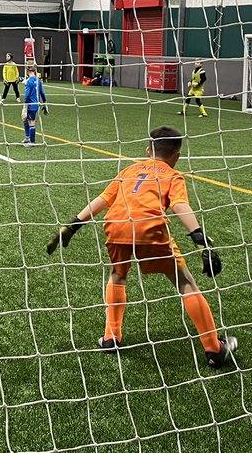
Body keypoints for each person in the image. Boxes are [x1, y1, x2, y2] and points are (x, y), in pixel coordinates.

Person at [46, 125, 236, 368]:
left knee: (117, 275)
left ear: (148, 151)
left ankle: (111, 337)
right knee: (185, 282)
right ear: (177, 156)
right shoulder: (173, 175)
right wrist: (199, 238)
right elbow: (179, 205)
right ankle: (214, 349)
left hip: (116, 226)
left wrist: (72, 226)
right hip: (149, 228)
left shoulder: (129, 170)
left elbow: (103, 199)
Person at [21, 65, 47, 146]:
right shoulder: (38, 80)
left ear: (27, 71)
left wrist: (25, 105)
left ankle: (32, 141)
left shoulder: (29, 81)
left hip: (30, 104)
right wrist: (45, 102)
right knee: (24, 118)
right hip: (36, 104)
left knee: (31, 121)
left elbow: (27, 94)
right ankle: (27, 137)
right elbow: (42, 93)